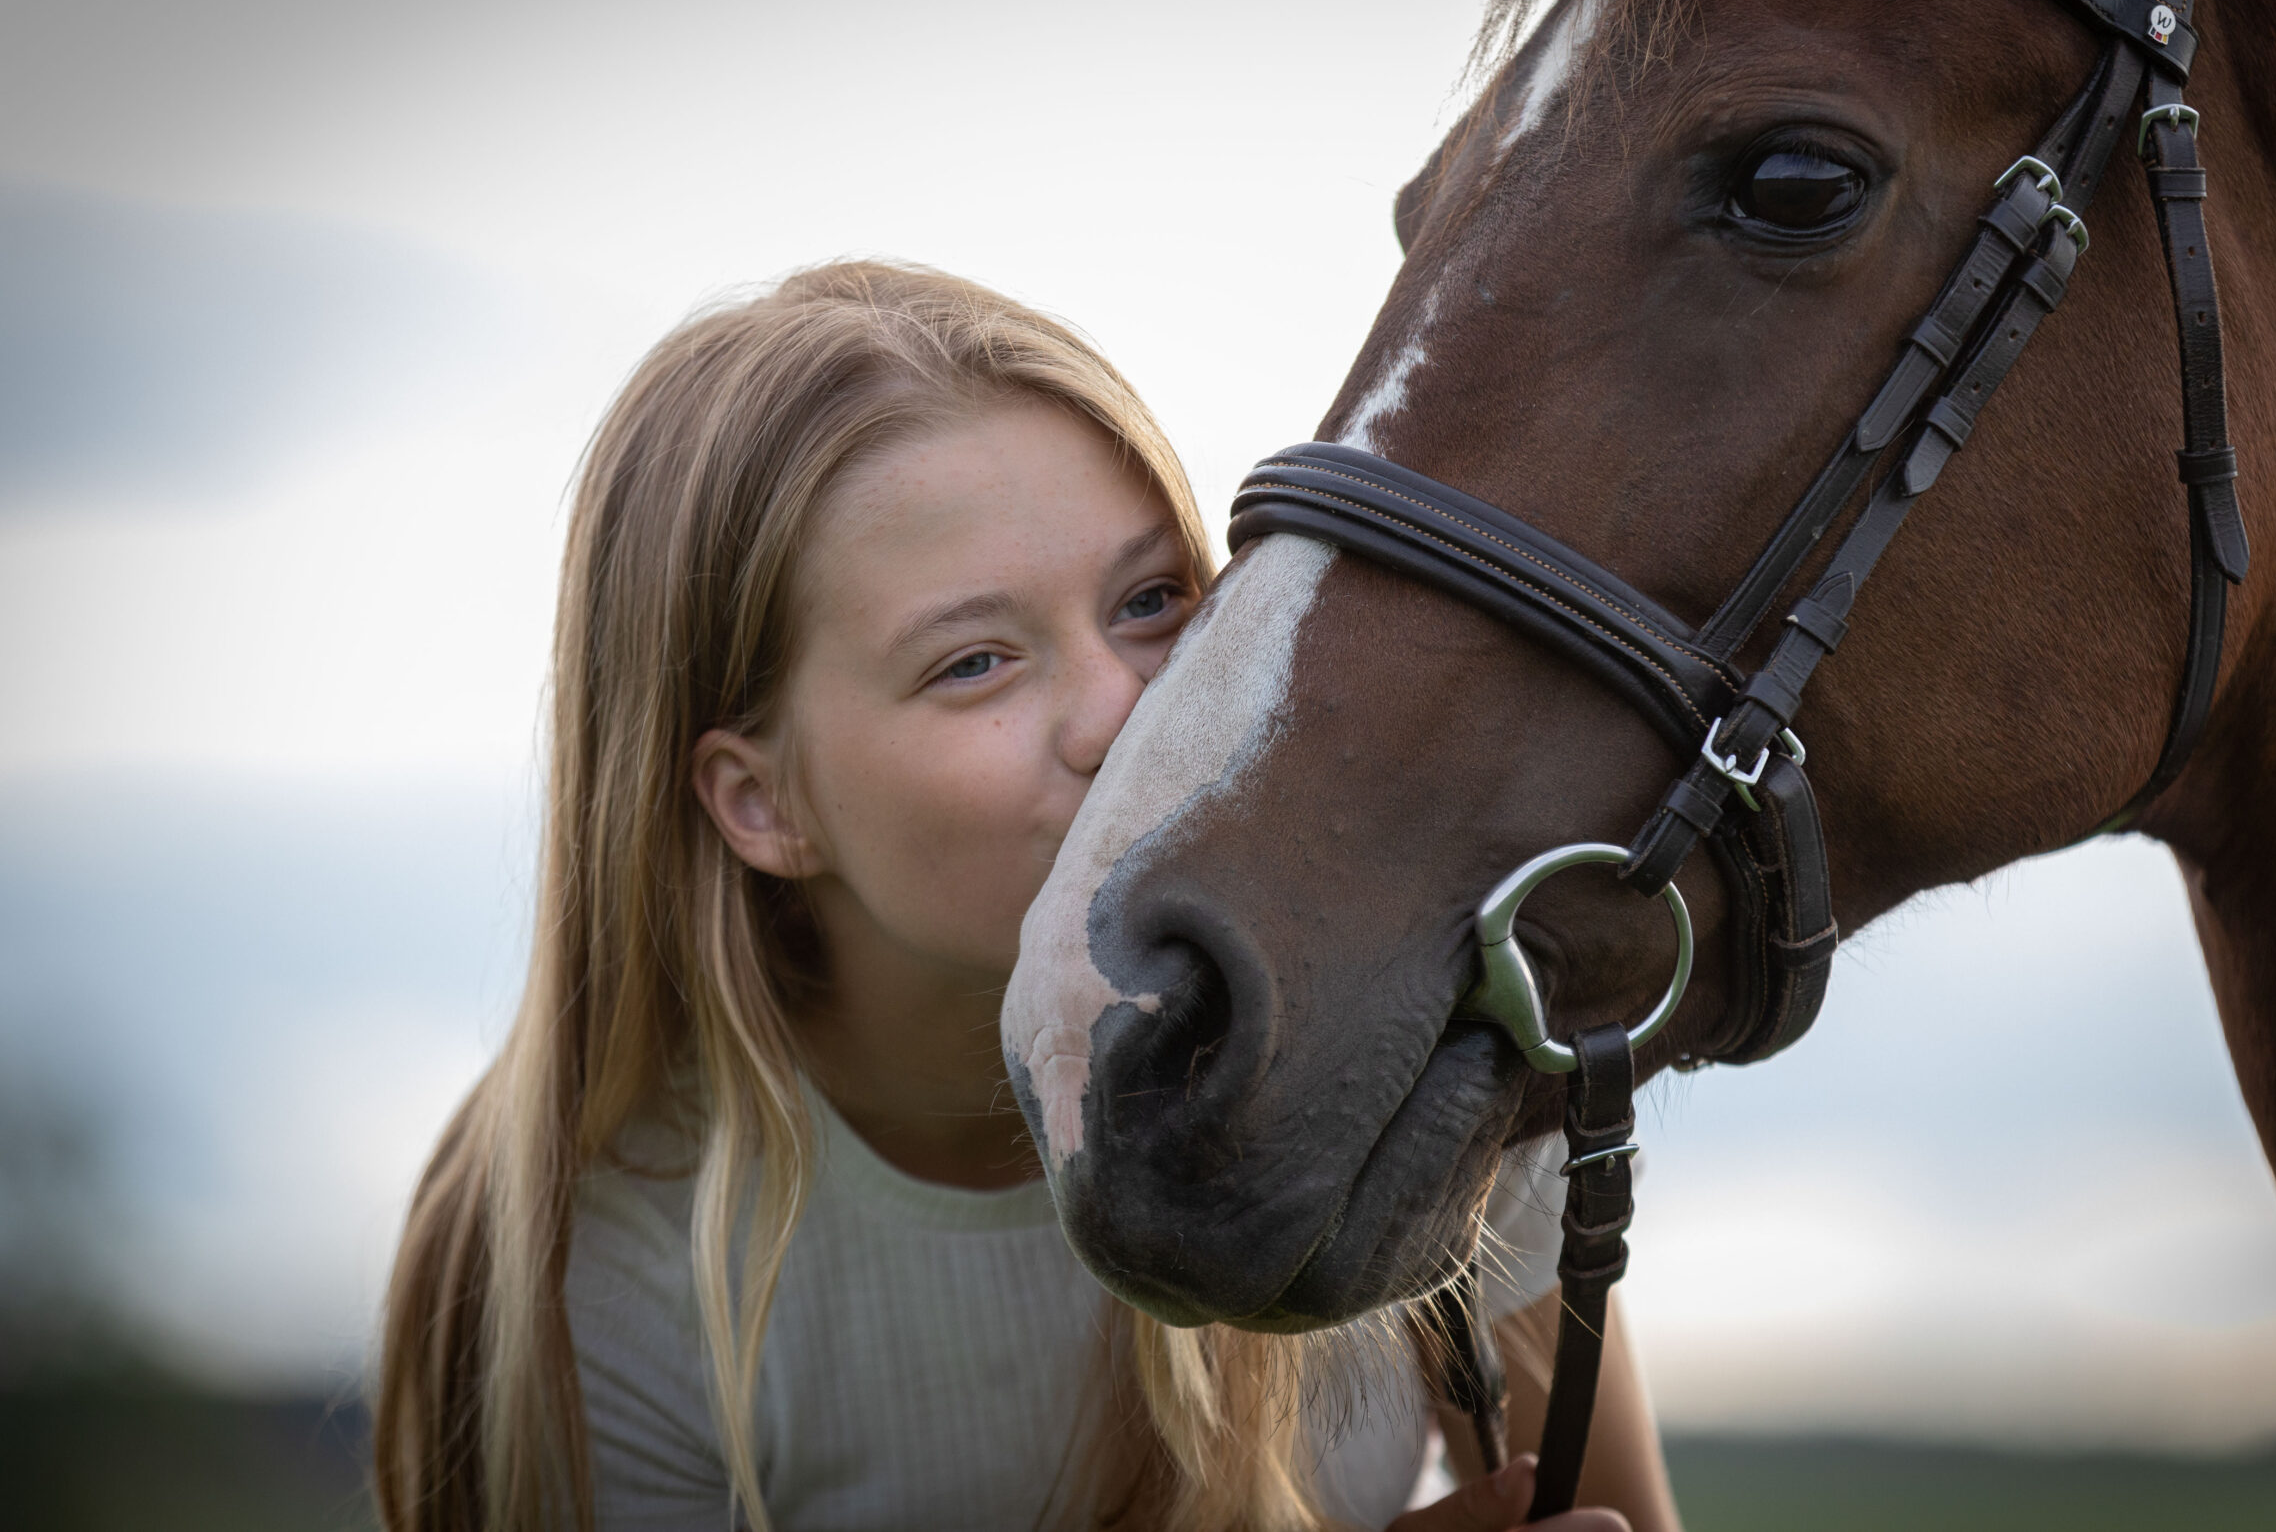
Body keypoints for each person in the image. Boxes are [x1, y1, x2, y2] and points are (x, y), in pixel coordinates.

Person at [370, 260, 1679, 1531]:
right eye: (977, 663)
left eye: (1153, 599)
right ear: (760, 802)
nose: (1129, 714)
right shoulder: (591, 1262)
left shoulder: (1400, 1049)